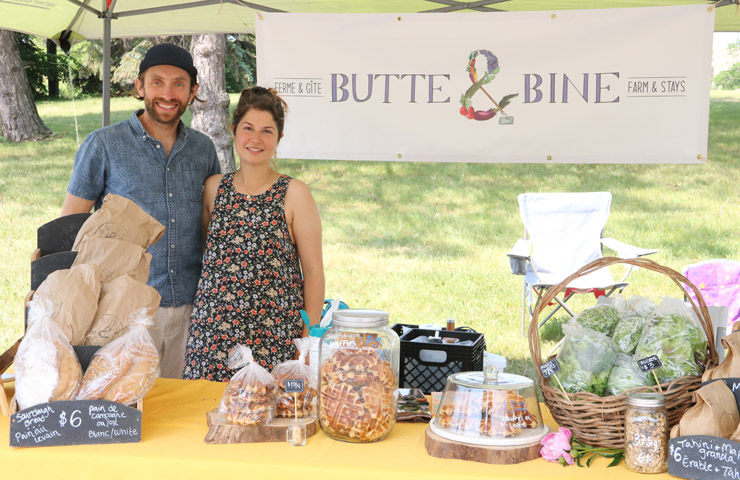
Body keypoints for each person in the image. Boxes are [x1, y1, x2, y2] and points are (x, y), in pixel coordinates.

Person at [61, 43, 221, 378]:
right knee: (127, 411)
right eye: (157, 82)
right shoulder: (103, 144)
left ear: (193, 92)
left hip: (193, 305)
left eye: (179, 84)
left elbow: (211, 223)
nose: (168, 93)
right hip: (124, 310)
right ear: (139, 86)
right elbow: (70, 227)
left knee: (181, 409)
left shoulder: (203, 150)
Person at [183, 86, 325, 382]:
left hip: (274, 336)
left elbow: (313, 273)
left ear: (279, 139)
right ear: (234, 130)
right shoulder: (213, 189)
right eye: (248, 128)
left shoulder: (294, 194)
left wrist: (308, 342)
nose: (256, 139)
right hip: (214, 336)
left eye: (267, 131)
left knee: (271, 419)